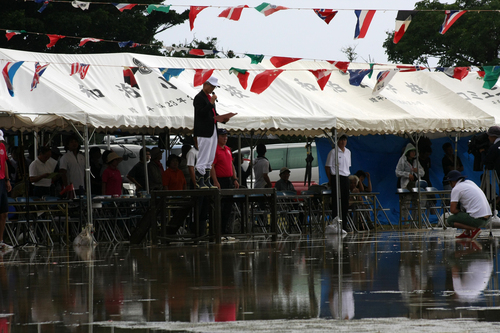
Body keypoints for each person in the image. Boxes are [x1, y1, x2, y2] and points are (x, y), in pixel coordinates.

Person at [193, 76, 235, 189]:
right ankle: (199, 181)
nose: (212, 89)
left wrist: (223, 119)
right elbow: (200, 113)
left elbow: (213, 114)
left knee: (210, 156)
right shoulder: (199, 98)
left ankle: (206, 180)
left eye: (214, 87)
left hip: (212, 131)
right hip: (204, 131)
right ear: (205, 84)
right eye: (211, 86)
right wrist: (210, 103)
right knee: (203, 155)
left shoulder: (209, 98)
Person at [445, 170, 491, 239]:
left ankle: (473, 229)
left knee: (450, 220)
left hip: (478, 220)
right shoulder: (470, 182)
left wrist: (460, 212)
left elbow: (453, 210)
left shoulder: (456, 189)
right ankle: (467, 232)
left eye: (449, 183)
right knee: (467, 210)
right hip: (487, 219)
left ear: (452, 181)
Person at [210, 128, 239, 233]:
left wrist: (234, 179)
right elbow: (212, 166)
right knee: (220, 207)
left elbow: (231, 165)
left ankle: (224, 230)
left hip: (228, 180)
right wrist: (215, 181)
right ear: (217, 137)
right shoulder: (215, 150)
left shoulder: (227, 149)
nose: (225, 138)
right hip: (220, 180)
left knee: (228, 207)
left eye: (226, 136)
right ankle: (217, 231)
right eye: (222, 136)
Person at [325, 135, 351, 231]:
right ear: (338, 141)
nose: (343, 142)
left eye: (344, 140)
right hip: (336, 176)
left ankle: (344, 224)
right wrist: (330, 179)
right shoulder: (333, 152)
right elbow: (327, 167)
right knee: (336, 201)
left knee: (345, 202)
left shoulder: (348, 152)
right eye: (341, 140)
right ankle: (336, 223)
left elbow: (348, 166)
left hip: (345, 177)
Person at [0, 130, 12, 250]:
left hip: (2, 180)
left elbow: (5, 162)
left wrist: (7, 179)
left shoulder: (2, 146)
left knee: (4, 212)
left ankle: (1, 240)